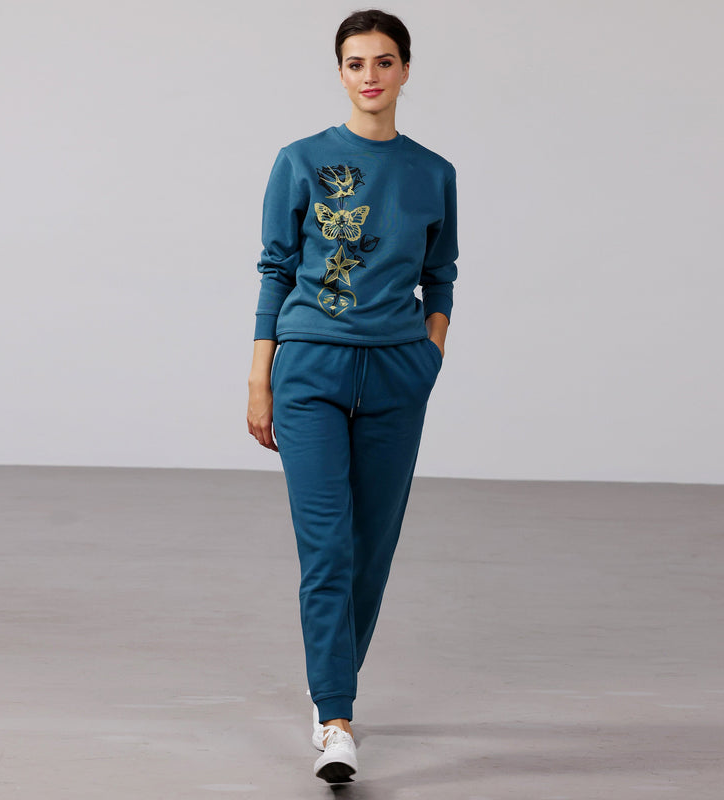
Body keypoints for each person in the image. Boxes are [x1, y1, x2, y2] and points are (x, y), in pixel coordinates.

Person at [247, 9, 458, 784]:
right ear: (339, 73)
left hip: (397, 375)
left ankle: (329, 685)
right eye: (356, 62)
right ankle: (336, 716)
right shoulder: (301, 160)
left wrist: (430, 354)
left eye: (384, 61)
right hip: (310, 372)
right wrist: (260, 376)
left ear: (405, 70)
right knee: (327, 547)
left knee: (372, 550)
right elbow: (276, 268)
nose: (370, 75)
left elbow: (441, 274)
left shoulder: (433, 173)